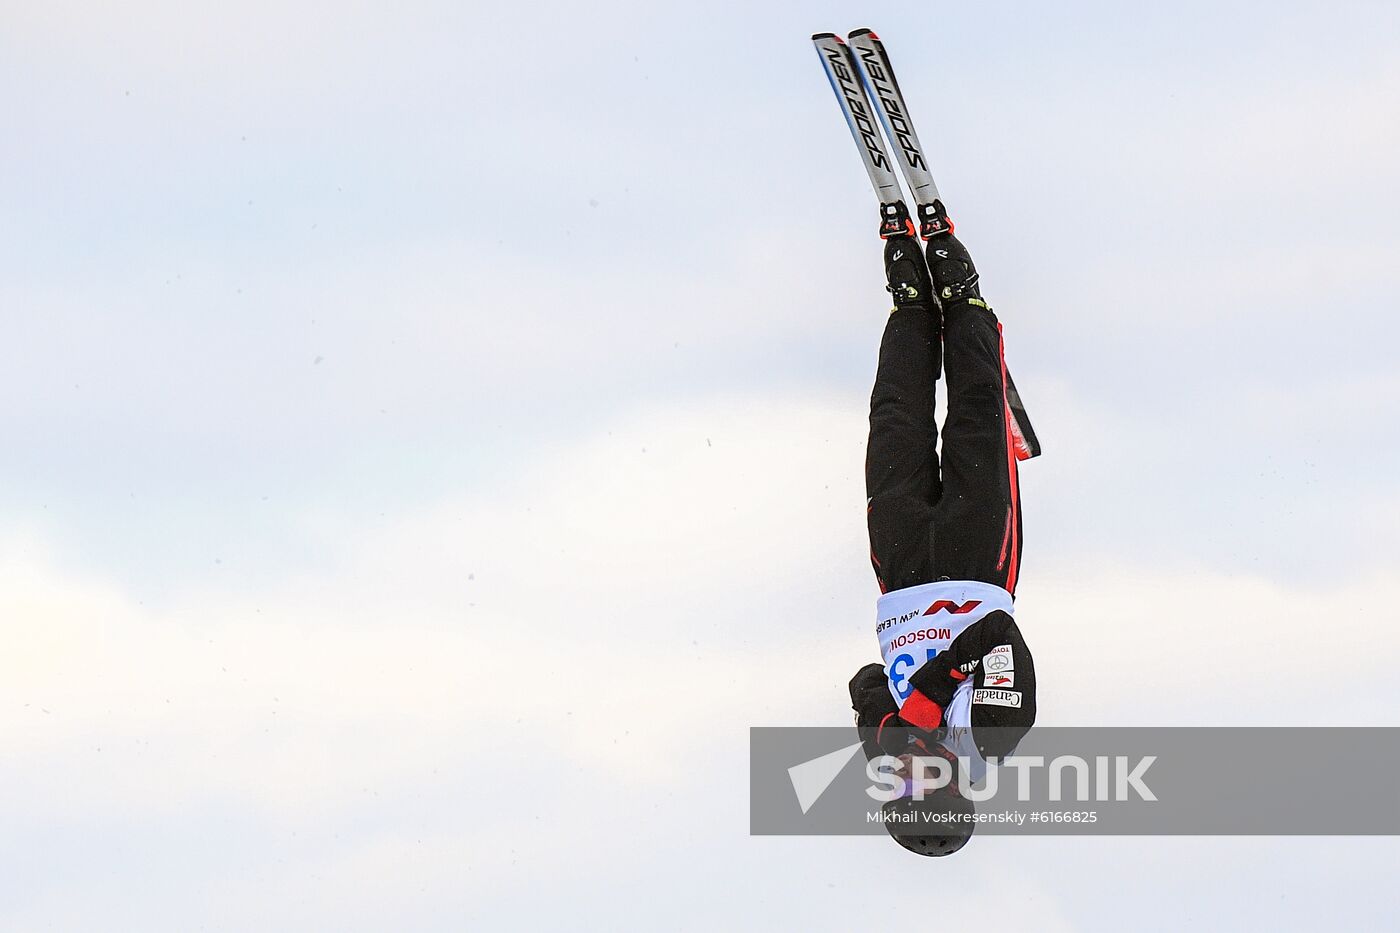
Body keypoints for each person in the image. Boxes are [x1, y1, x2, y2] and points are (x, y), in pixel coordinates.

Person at [848, 225, 1040, 856]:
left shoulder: (902, 751)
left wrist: (882, 726)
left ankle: (908, 308)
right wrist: (931, 700)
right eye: (917, 790)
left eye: (895, 792)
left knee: (894, 418)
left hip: (901, 575)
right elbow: (997, 640)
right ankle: (964, 303)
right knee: (975, 415)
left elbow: (865, 681)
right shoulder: (993, 737)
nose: (904, 781)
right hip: (975, 563)